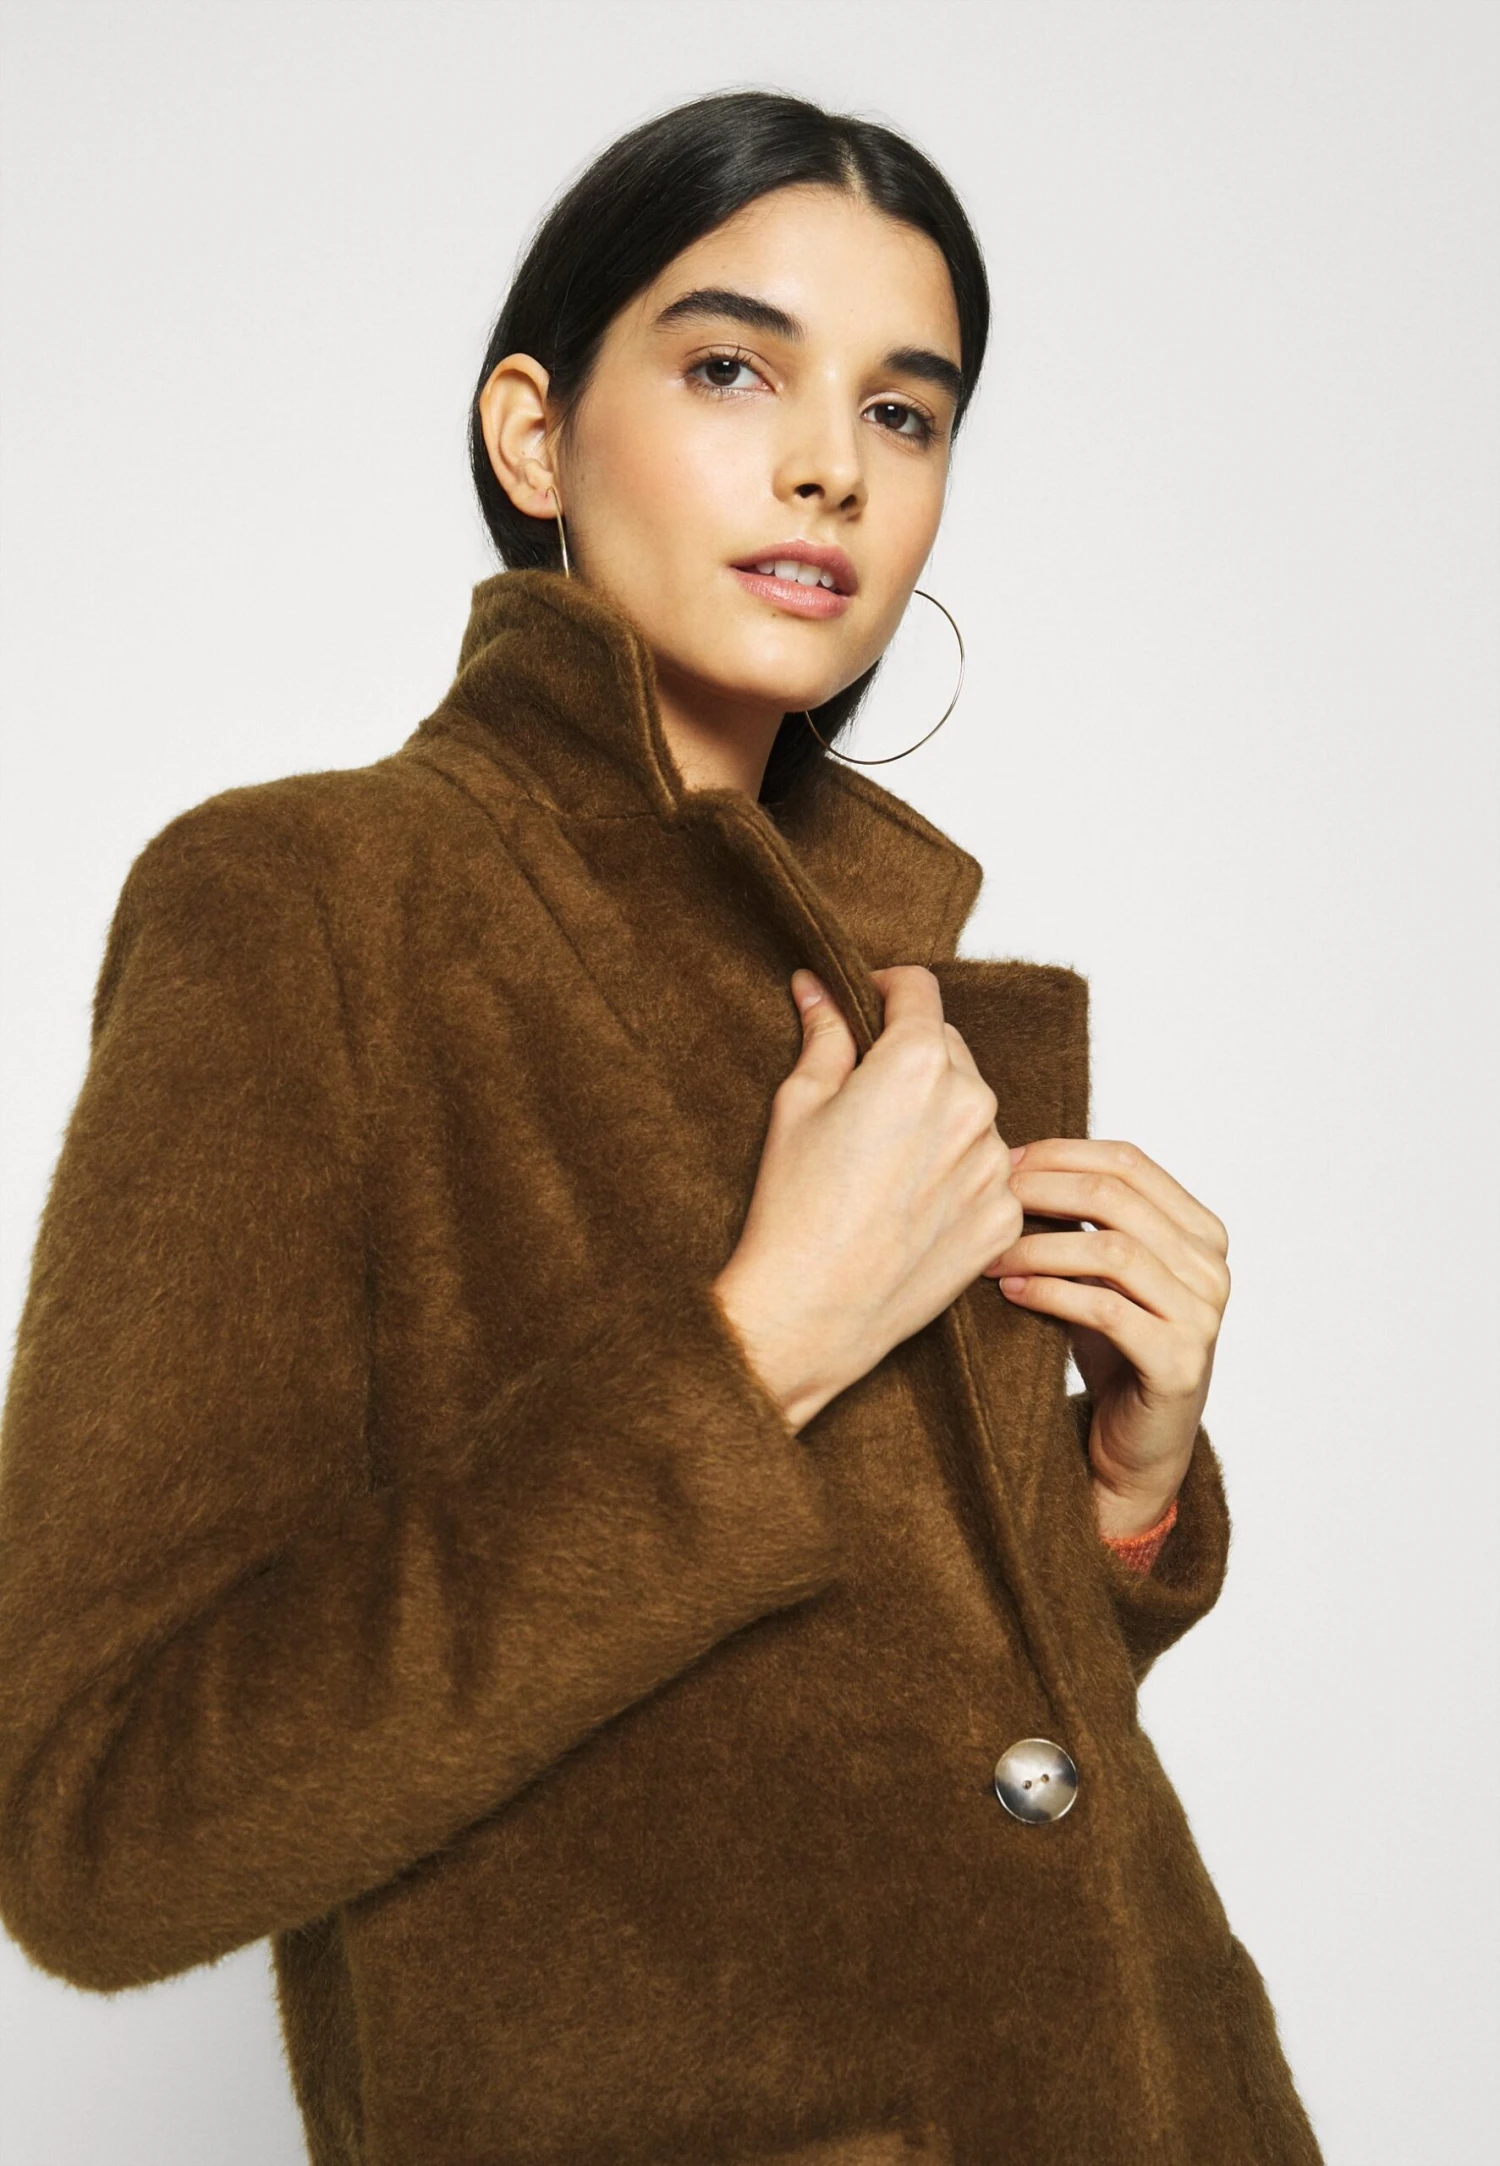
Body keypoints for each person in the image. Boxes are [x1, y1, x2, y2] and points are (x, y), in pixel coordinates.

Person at [0, 89, 1323, 2166]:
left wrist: (1121, 1504)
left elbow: (892, 1766)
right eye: (731, 368)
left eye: (904, 412)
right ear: (533, 435)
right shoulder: (303, 911)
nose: (832, 464)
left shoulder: (888, 983)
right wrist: (757, 1348)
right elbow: (97, 1823)